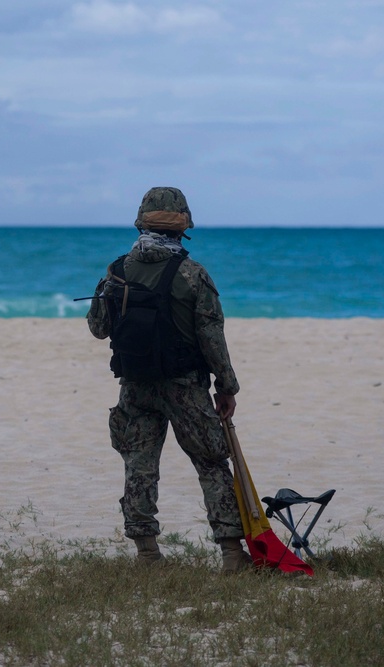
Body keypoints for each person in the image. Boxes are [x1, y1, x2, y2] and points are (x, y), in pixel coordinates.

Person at [87, 186, 252, 572]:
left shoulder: (117, 271)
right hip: (185, 387)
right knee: (211, 463)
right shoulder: (193, 274)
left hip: (135, 386)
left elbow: (98, 328)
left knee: (139, 466)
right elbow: (213, 338)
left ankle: (147, 554)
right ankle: (231, 555)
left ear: (141, 222)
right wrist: (226, 386)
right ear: (184, 227)